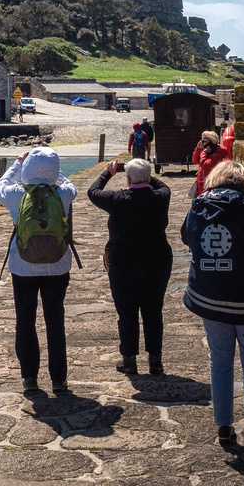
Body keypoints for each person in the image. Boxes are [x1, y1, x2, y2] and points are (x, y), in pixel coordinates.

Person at [182, 159, 244, 448]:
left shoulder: (199, 205)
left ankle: (224, 426)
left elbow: (186, 236)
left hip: (209, 295)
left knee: (220, 359)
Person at [0, 146, 77, 393]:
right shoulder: (63, 193)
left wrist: (18, 164)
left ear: (29, 167)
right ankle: (59, 380)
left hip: (23, 265)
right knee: (55, 321)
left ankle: (29, 377)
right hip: (57, 265)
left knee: (25, 321)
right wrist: (54, 171)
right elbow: (69, 183)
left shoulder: (16, 194)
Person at [88, 157, 173, 376]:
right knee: (154, 311)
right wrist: (143, 174)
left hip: (124, 263)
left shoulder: (117, 199)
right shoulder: (161, 197)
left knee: (127, 312)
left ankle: (129, 360)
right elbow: (163, 185)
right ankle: (155, 361)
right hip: (157, 261)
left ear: (127, 179)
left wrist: (109, 172)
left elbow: (93, 191)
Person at [192, 123, 239, 188]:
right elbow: (195, 161)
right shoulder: (206, 152)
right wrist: (198, 149)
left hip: (210, 182)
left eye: (204, 140)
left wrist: (203, 153)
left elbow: (206, 165)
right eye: (202, 140)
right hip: (202, 181)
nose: (202, 142)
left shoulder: (217, 154)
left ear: (211, 141)